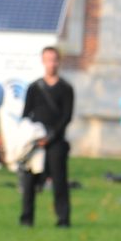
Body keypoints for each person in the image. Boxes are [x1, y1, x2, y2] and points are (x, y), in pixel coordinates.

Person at [18, 45, 73, 228]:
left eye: (54, 60)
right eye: (48, 60)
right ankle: (27, 218)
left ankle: (63, 219)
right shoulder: (34, 88)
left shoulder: (66, 88)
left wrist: (51, 136)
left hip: (56, 141)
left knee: (59, 181)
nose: (51, 64)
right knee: (29, 181)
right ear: (43, 62)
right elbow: (26, 114)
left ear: (59, 62)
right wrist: (34, 136)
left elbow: (67, 116)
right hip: (36, 142)